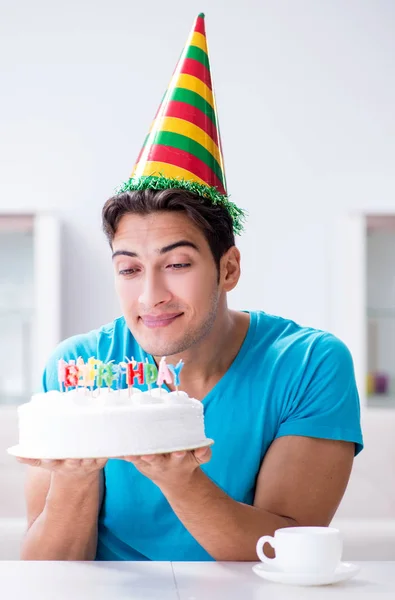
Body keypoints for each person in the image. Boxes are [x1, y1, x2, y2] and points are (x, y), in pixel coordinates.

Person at [18, 13, 363, 562]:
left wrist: (178, 476)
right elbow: (47, 573)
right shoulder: (77, 370)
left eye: (176, 264)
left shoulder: (308, 365)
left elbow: (285, 552)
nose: (150, 295)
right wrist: (78, 477)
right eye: (129, 269)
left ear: (228, 268)